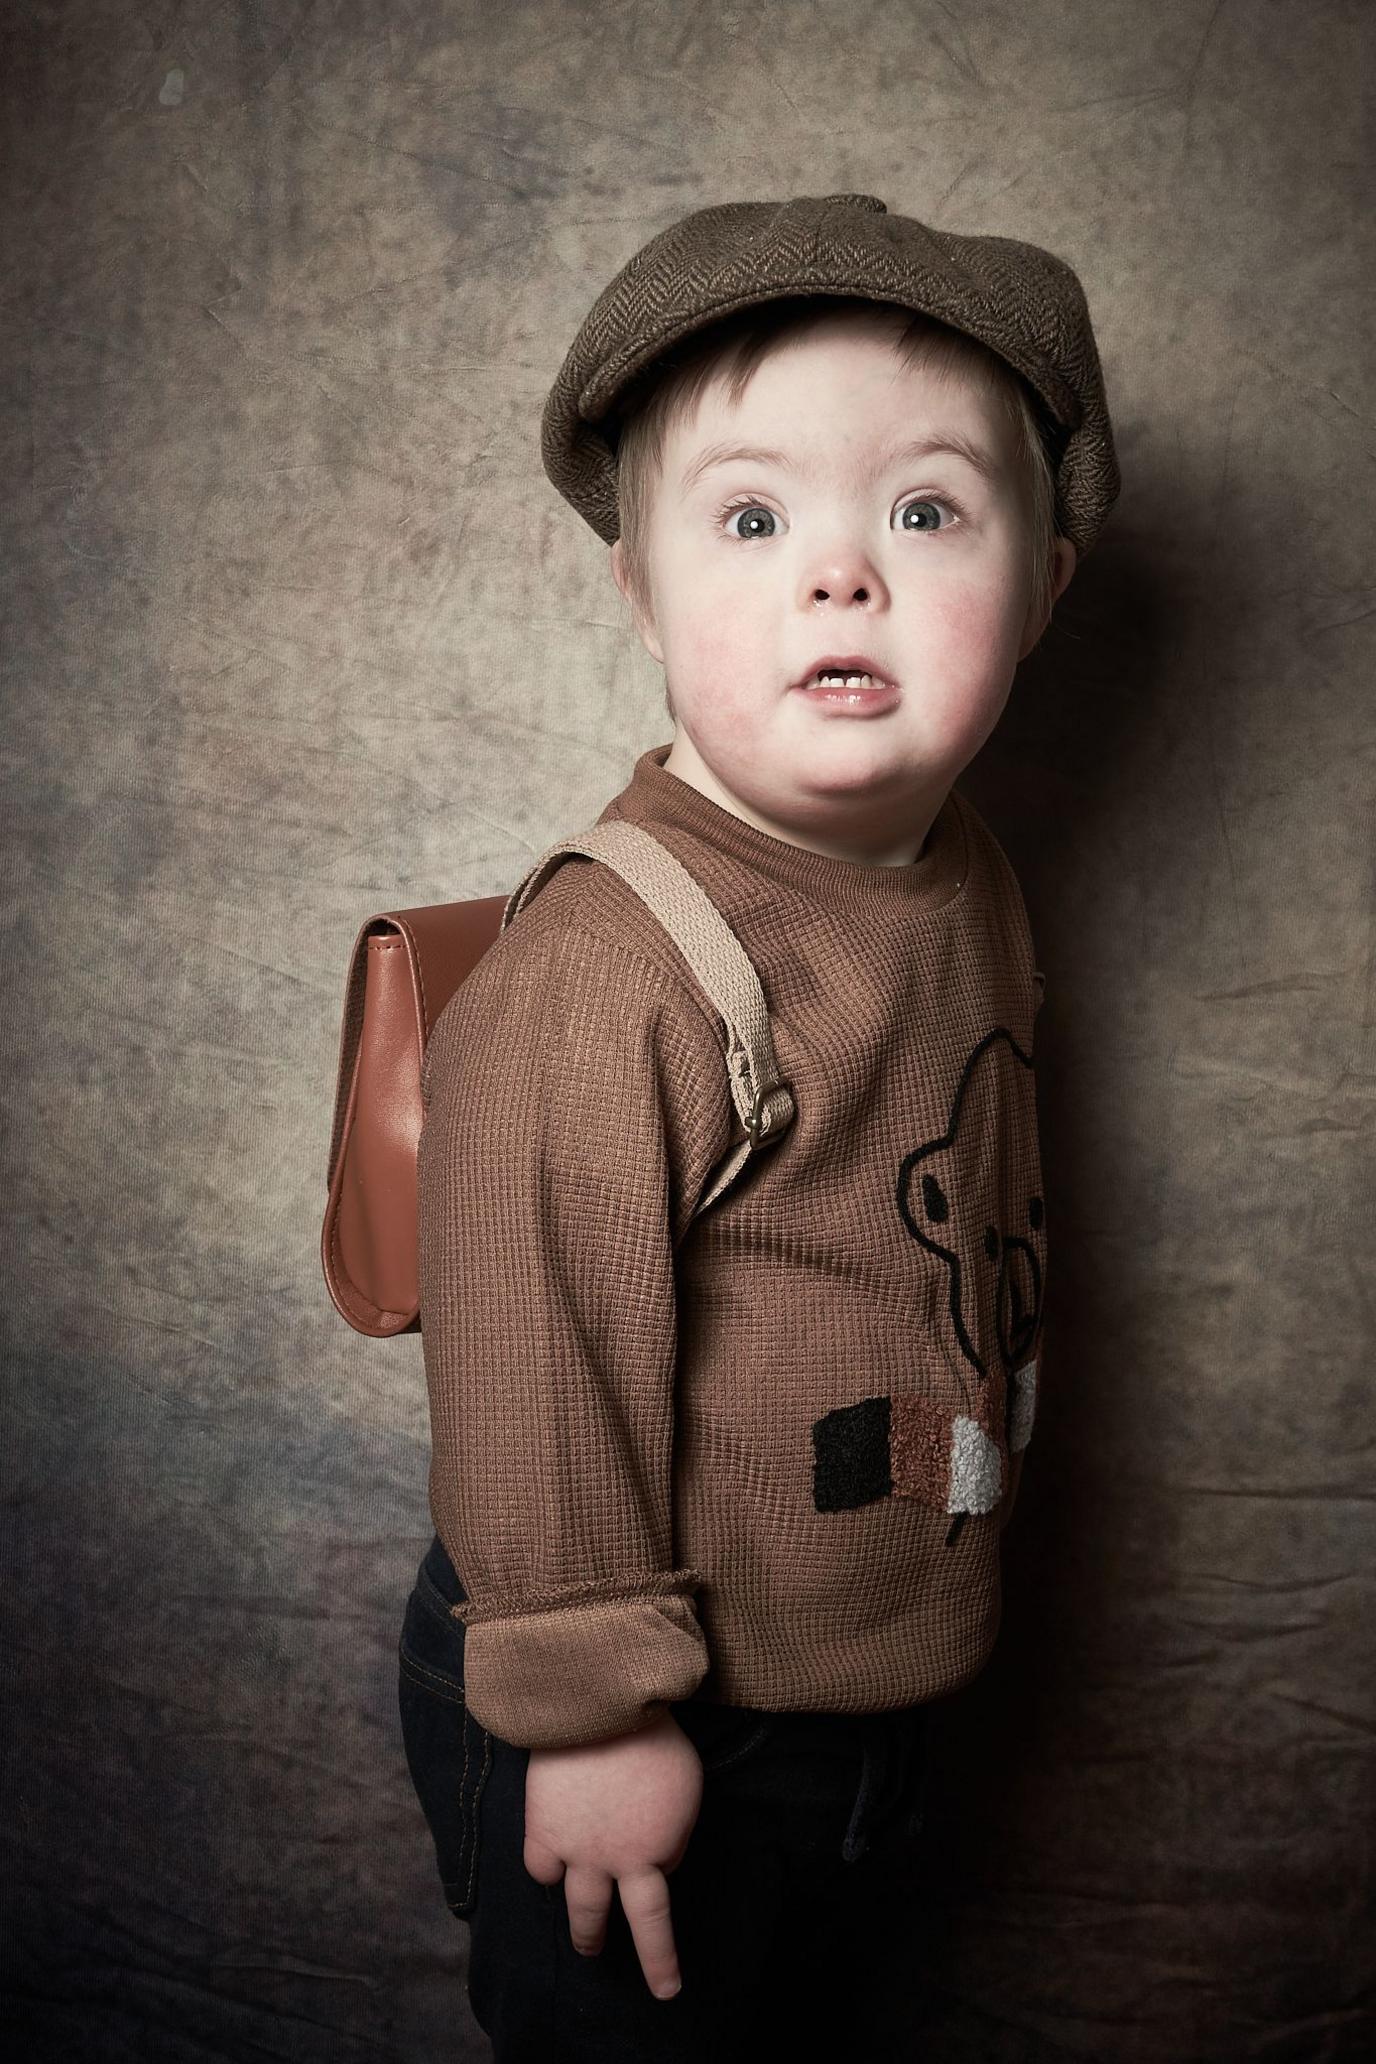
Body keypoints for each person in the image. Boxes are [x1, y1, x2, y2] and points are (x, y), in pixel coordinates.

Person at [397, 192, 1120, 2061]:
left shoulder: (962, 880)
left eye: (927, 511)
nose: (840, 575)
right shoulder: (616, 966)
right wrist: (590, 1713)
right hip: (646, 1695)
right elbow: (533, 1340)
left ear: (1043, 586)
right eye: (751, 517)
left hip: (866, 1680)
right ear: (637, 584)